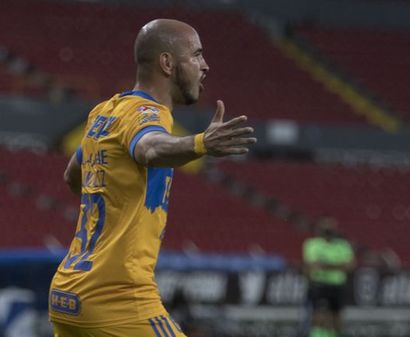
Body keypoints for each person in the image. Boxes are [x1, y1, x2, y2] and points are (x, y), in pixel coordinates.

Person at [48, 19, 256, 337]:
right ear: (167, 63)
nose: (205, 66)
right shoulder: (147, 113)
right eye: (196, 55)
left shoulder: (105, 111)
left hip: (68, 292)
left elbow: (72, 177)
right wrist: (201, 143)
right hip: (117, 297)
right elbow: (149, 148)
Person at [303, 217, 355, 337]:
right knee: (319, 315)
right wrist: (338, 265)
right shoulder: (312, 244)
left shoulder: (343, 245)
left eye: (330, 229)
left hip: (337, 285)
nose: (328, 232)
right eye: (326, 229)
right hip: (319, 284)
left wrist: (325, 265)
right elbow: (313, 264)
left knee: (337, 317)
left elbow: (350, 266)